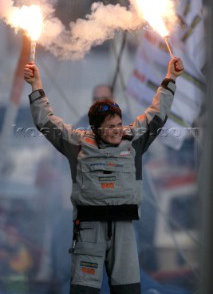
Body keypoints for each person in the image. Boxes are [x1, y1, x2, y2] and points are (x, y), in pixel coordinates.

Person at [24, 57, 184, 294]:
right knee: (84, 289)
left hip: (125, 229)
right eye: (110, 126)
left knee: (129, 288)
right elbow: (45, 121)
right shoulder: (77, 142)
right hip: (89, 231)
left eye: (119, 124)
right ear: (95, 128)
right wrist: (36, 85)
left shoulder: (133, 139)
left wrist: (170, 78)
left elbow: (157, 112)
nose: (116, 130)